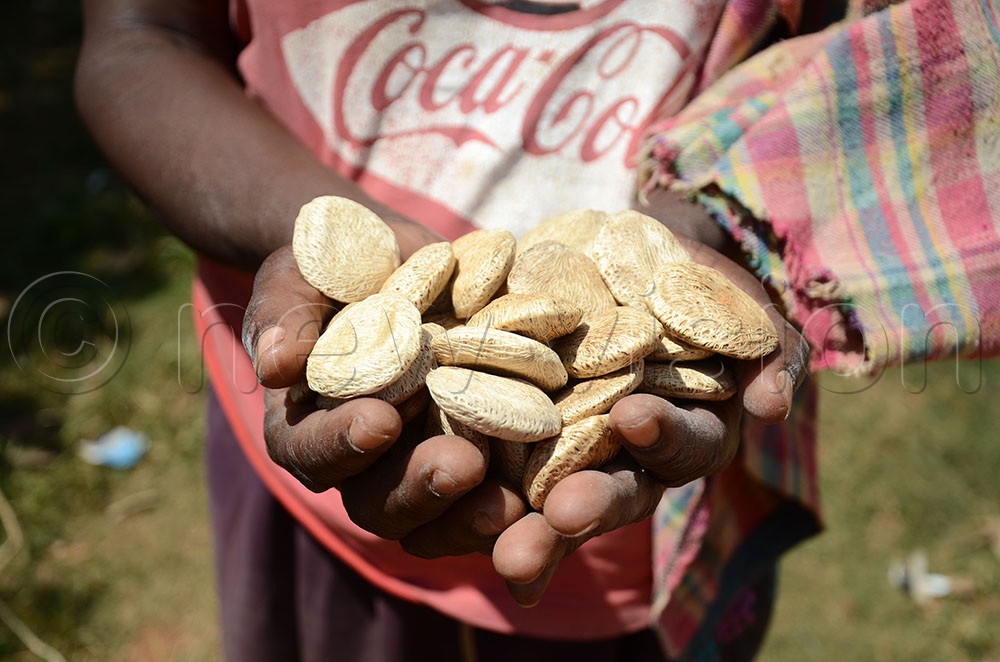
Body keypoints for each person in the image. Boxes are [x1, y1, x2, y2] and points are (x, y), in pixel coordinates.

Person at [74, 0, 999, 659]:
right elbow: (142, 37)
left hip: (664, 532)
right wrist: (306, 231)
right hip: (308, 479)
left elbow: (916, 53)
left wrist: (716, 216)